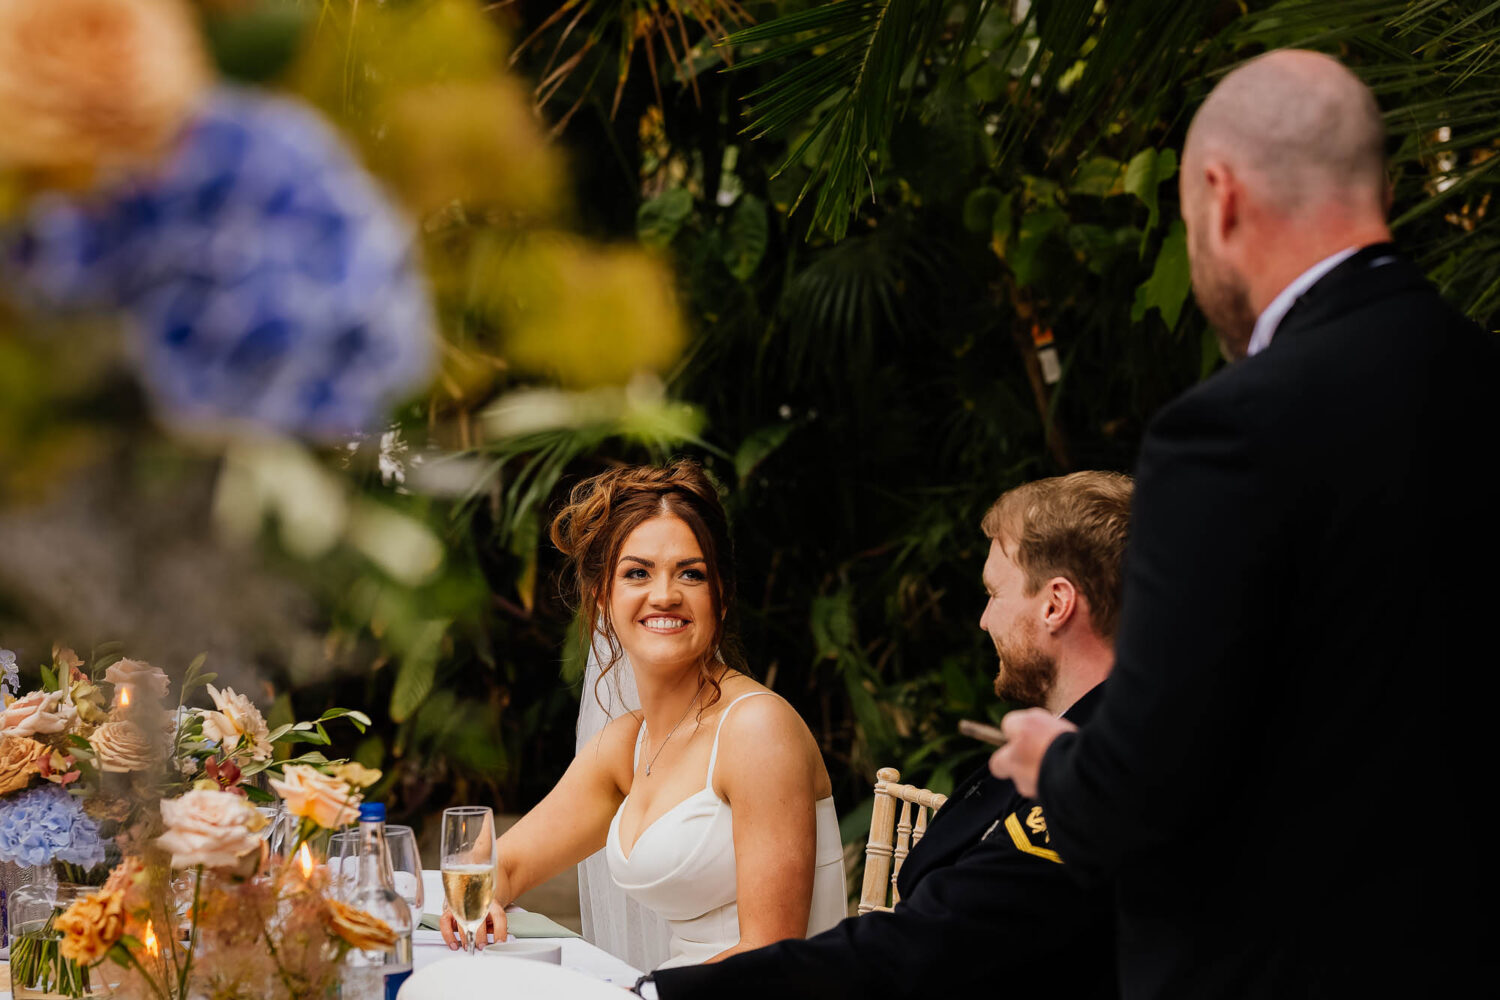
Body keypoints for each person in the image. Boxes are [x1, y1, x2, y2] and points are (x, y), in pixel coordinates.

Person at [990, 50, 1500, 996]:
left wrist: (1058, 762)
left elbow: (1145, 790)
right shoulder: (1482, 378)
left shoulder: (1229, 432)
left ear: (1220, 198)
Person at [636, 471, 1132, 1000]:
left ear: (1055, 604)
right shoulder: (1088, 742)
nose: (985, 620)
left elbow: (927, 947)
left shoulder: (1106, 772)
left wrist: (665, 993)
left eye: (993, 593)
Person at [440, 461, 846, 966]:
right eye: (637, 572)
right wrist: (482, 901)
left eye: (691, 573)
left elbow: (770, 956)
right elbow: (507, 865)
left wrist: (639, 992)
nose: (664, 595)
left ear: (721, 596)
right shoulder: (628, 745)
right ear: (600, 599)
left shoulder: (757, 729)